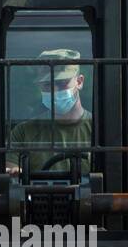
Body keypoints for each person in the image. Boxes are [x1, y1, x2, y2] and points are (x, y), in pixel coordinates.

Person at [7, 48, 92, 176]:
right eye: (47, 84)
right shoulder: (23, 133)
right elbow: (10, 176)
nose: (54, 90)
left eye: (62, 83)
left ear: (79, 82)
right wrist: (15, 173)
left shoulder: (100, 131)